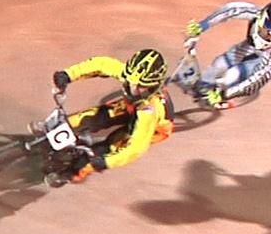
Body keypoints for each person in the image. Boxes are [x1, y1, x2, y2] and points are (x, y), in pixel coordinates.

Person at [43, 48, 174, 182]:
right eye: (131, 83)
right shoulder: (131, 75)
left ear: (153, 86)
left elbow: (135, 149)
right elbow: (101, 64)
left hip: (152, 128)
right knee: (87, 118)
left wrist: (107, 162)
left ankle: (71, 175)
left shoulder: (150, 111)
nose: (133, 89)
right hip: (132, 107)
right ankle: (49, 135)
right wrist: (69, 74)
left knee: (103, 151)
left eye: (140, 87)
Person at [182, 0, 271, 107]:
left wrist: (223, 94)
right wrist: (202, 25)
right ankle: (204, 84)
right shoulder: (256, 13)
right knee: (220, 63)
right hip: (253, 45)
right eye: (262, 29)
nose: (264, 34)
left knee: (231, 75)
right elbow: (230, 10)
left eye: (270, 35)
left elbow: (255, 82)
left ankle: (224, 88)